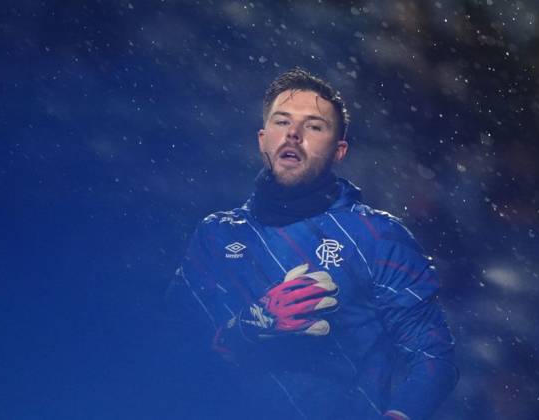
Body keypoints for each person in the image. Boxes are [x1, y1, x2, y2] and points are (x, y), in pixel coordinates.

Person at [173, 68, 457, 419]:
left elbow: (434, 357)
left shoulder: (378, 237)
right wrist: (245, 330)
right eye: (281, 122)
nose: (293, 134)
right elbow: (170, 350)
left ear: (339, 151)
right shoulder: (216, 234)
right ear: (262, 139)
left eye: (314, 126)